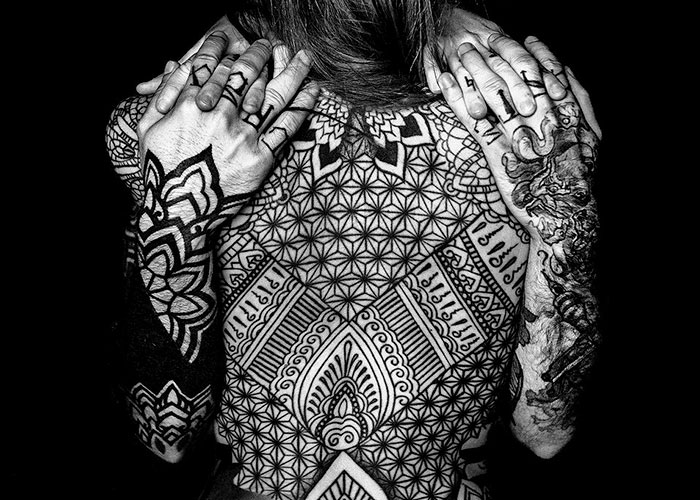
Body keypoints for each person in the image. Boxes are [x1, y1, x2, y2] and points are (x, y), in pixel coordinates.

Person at [104, 1, 601, 499]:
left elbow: (546, 435)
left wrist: (564, 223)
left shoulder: (525, 126)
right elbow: (164, 432)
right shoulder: (191, 128)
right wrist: (176, 215)